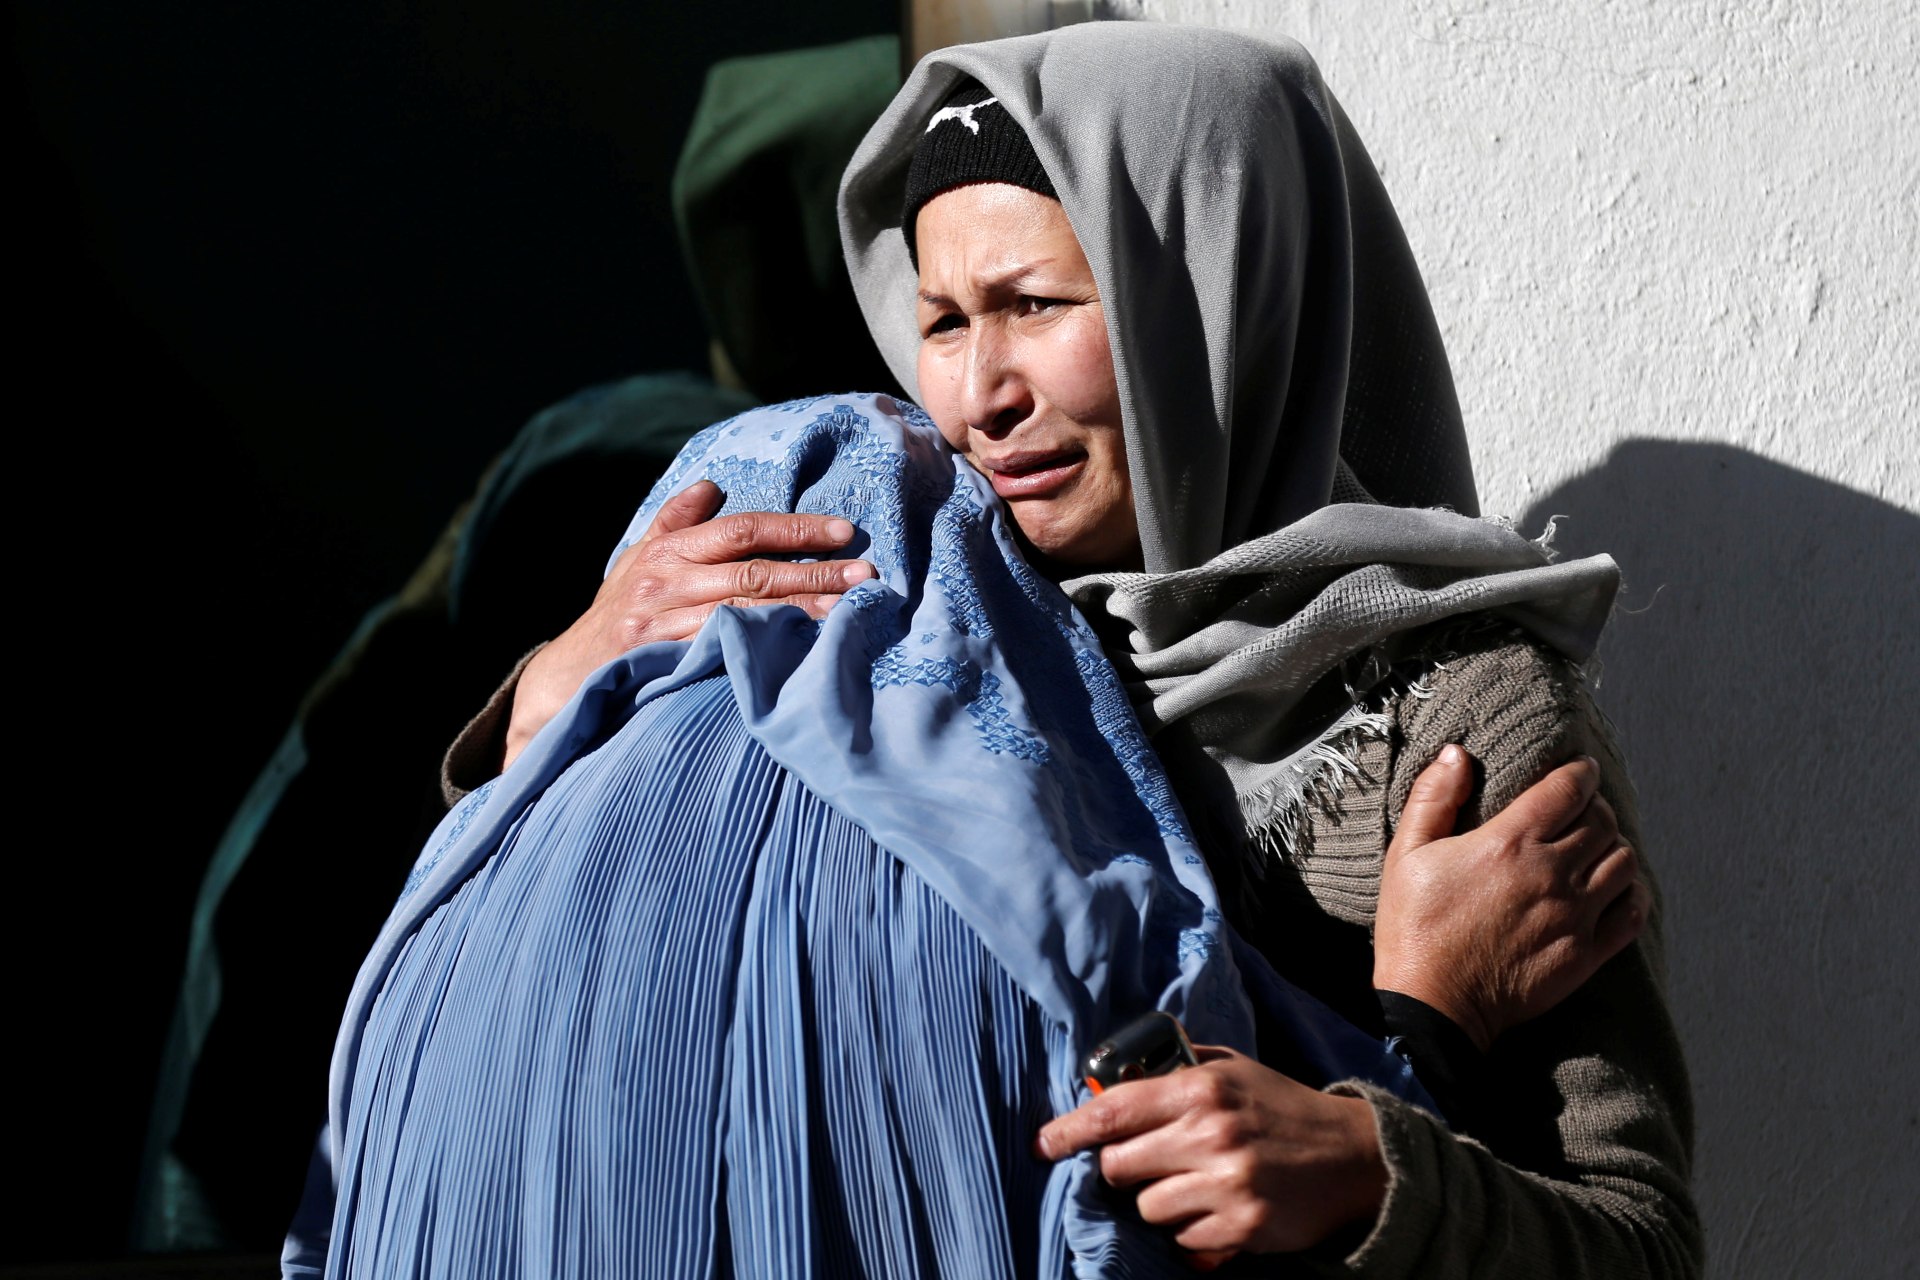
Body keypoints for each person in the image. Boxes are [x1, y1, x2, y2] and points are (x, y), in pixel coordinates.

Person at [293, 22, 1698, 1279]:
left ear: (1209, 292)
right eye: (945, 323)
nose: (981, 394)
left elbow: (1636, 1243)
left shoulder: (1450, 716)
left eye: (1036, 304)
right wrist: (573, 679)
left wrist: (1367, 1161)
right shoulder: (917, 594)